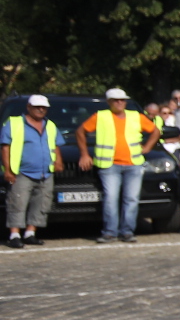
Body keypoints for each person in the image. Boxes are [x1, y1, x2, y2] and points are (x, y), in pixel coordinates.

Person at [77, 87, 160, 244]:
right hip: (109, 165)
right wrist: (84, 154)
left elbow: (155, 131)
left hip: (133, 164)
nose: (120, 103)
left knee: (131, 199)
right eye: (116, 100)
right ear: (109, 102)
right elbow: (80, 131)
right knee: (111, 198)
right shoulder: (101, 116)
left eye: (122, 100)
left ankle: (127, 232)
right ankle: (110, 232)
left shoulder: (136, 116)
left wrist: (148, 147)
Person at [4, 94, 63, 247]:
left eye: (43, 108)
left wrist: (58, 161)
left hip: (45, 172)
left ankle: (30, 233)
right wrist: (8, 170)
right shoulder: (14, 123)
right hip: (22, 172)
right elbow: (5, 147)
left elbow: (56, 145)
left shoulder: (50, 125)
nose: (40, 110)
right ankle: (14, 235)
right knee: (17, 203)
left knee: (42, 204)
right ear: (28, 107)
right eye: (37, 107)